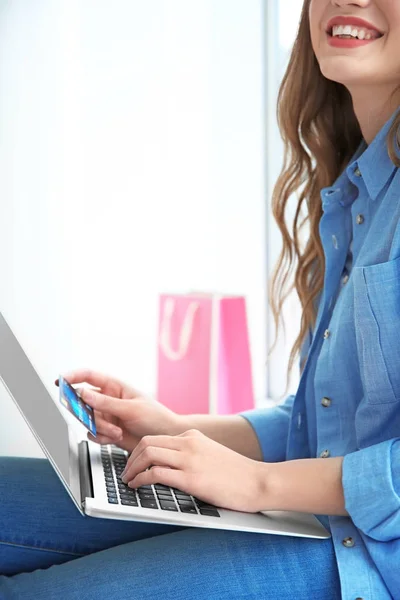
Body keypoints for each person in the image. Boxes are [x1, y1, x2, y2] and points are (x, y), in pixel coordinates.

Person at [1, 0, 399, 597]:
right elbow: (321, 423)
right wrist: (177, 429)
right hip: (309, 520)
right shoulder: (355, 192)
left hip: (367, 561)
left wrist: (257, 485)